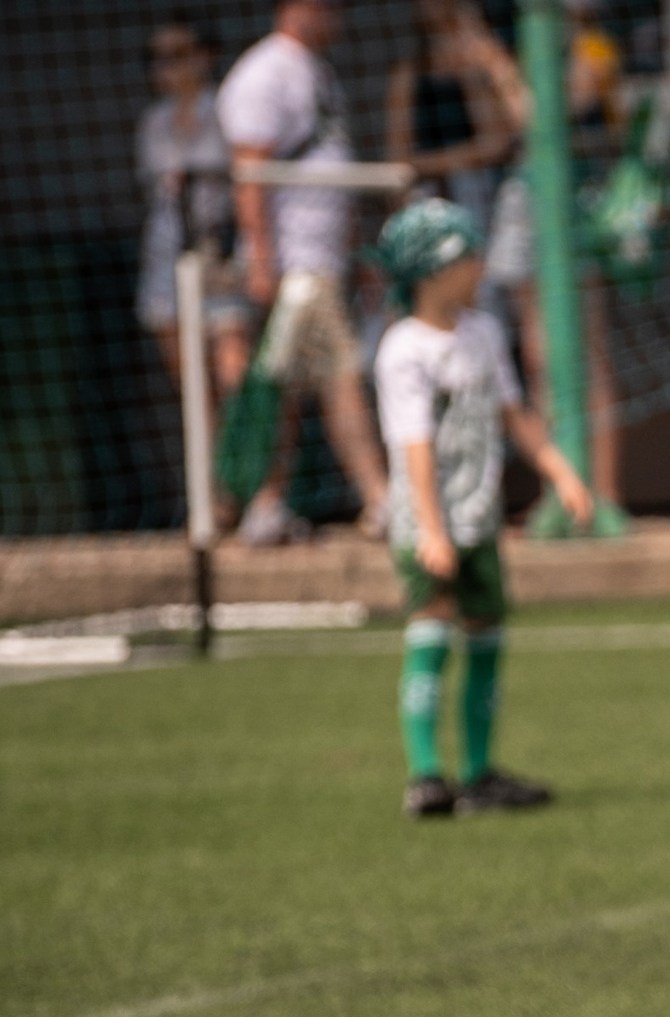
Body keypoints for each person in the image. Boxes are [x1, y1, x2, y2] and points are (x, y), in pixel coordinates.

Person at [371, 200, 588, 818]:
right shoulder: (404, 349)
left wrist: (560, 472)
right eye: (466, 255)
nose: (478, 265)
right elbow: (413, 446)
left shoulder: (484, 332)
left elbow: (512, 414)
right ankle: (425, 775)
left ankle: (477, 773)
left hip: (479, 517)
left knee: (487, 634)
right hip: (430, 523)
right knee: (432, 627)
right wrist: (432, 529)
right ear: (432, 269)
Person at [220, 0, 391, 545]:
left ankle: (266, 505)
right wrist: (264, 260)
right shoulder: (264, 71)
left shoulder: (318, 70)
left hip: (324, 255)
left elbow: (333, 165)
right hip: (294, 261)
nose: (339, 17)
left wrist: (358, 253)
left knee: (286, 385)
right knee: (338, 374)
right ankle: (381, 498)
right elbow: (250, 173)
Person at [482, 0, 625, 518]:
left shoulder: (594, 48)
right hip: (525, 202)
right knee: (540, 360)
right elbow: (500, 135)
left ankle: (603, 495)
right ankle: (562, 492)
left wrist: (494, 64)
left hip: (574, 205)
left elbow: (543, 118)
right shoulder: (514, 43)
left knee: (587, 362)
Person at [136, 23, 251, 434]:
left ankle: (253, 488)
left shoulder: (228, 109)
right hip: (167, 260)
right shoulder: (153, 122)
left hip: (221, 256)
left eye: (177, 54)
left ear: (205, 55)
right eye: (157, 57)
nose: (165, 67)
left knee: (235, 380)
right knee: (193, 394)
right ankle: (215, 498)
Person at [385, 0, 518, 229]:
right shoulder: (409, 75)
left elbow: (495, 144)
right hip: (427, 202)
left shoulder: (479, 71)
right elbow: (398, 161)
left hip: (479, 195)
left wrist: (471, 72)